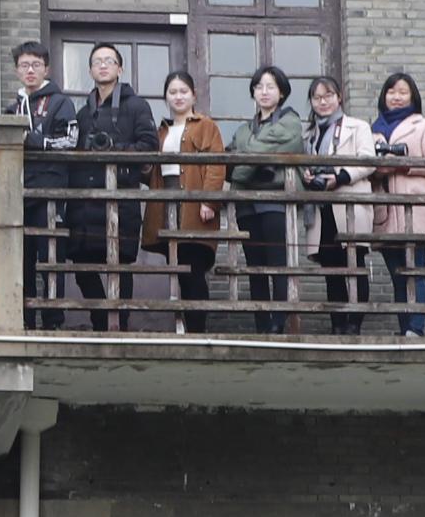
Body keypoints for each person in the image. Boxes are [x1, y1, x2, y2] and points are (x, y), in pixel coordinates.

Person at [62, 42, 157, 331]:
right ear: (90, 70)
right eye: (97, 62)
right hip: (84, 200)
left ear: (120, 68)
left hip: (120, 197)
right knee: (82, 264)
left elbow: (149, 146)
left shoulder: (136, 106)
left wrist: (115, 148)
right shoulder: (83, 112)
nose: (103, 66)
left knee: (119, 264)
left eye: (109, 61)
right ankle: (101, 321)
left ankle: (119, 325)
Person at [224, 65, 307, 333]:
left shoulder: (291, 121)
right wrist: (250, 162)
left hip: (275, 200)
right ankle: (262, 324)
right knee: (255, 265)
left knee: (278, 262)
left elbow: (258, 153)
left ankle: (278, 323)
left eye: (271, 86)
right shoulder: (243, 129)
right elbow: (229, 158)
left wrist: (243, 165)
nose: (264, 92)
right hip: (246, 203)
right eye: (259, 86)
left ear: (281, 92)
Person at [151, 69, 230, 330]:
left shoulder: (206, 126)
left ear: (194, 95)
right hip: (168, 205)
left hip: (195, 205)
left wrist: (208, 201)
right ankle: (183, 326)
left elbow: (216, 166)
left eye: (183, 91)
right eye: (172, 92)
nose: (178, 96)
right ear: (165, 97)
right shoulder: (162, 131)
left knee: (193, 268)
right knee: (178, 268)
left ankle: (197, 329)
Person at [302, 71, 378, 334]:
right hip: (322, 208)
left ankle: (354, 324)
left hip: (349, 204)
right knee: (331, 268)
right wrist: (307, 176)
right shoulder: (309, 133)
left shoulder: (358, 127)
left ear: (339, 97)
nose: (323, 102)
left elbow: (368, 161)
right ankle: (337, 324)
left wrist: (341, 176)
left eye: (328, 96)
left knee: (354, 265)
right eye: (317, 98)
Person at [370, 70, 425, 338]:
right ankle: (405, 330)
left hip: (416, 209)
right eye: (392, 92)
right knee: (397, 275)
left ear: (413, 96)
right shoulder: (373, 130)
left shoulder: (424, 126)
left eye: (403, 92)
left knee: (416, 271)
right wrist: (378, 168)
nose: (397, 97)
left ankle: (416, 328)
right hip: (386, 211)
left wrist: (403, 164)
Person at [9, 42, 73, 326]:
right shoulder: (13, 107)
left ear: (46, 69)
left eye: (36, 65)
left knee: (51, 257)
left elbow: (70, 141)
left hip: (50, 191)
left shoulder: (61, 102)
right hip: (19, 192)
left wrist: (34, 140)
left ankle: (53, 321)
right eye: (24, 65)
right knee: (21, 259)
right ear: (16, 70)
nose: (30, 70)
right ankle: (24, 320)